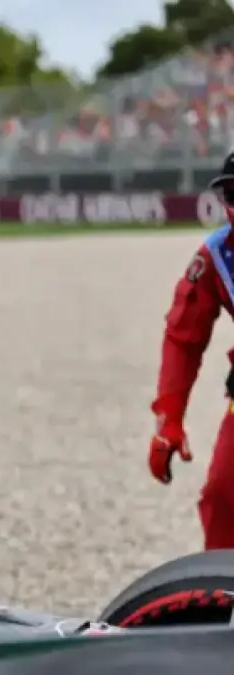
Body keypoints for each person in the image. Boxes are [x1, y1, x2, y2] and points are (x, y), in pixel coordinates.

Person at [149, 148, 234, 549]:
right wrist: (169, 418)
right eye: (233, 194)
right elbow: (183, 337)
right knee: (223, 498)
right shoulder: (217, 256)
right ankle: (222, 584)